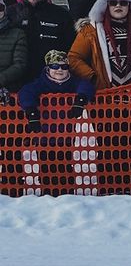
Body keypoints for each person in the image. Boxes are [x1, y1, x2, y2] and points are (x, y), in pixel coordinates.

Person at [15, 50, 93, 196]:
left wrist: (81, 98)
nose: (60, 70)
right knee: (46, 164)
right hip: (45, 135)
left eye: (64, 67)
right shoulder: (42, 83)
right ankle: (47, 192)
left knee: (65, 164)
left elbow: (86, 85)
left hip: (65, 135)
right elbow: (26, 92)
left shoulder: (72, 82)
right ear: (48, 68)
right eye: (55, 66)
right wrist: (31, 110)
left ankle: (67, 193)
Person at [8, 0, 74, 83]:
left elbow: (71, 47)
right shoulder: (10, 13)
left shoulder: (60, 14)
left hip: (52, 79)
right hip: (17, 79)